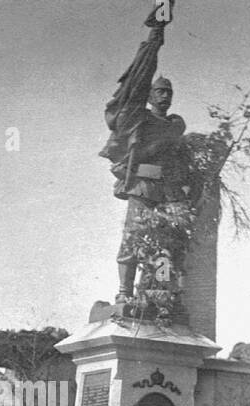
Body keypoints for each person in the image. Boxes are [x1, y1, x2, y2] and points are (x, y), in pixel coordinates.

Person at [100, 0, 192, 303]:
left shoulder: (177, 124)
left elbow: (182, 161)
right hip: (142, 186)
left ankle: (157, 294)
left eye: (169, 92)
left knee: (165, 246)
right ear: (151, 96)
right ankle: (124, 293)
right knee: (133, 239)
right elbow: (138, 83)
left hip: (168, 191)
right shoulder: (142, 118)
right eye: (160, 91)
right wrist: (157, 33)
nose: (165, 96)